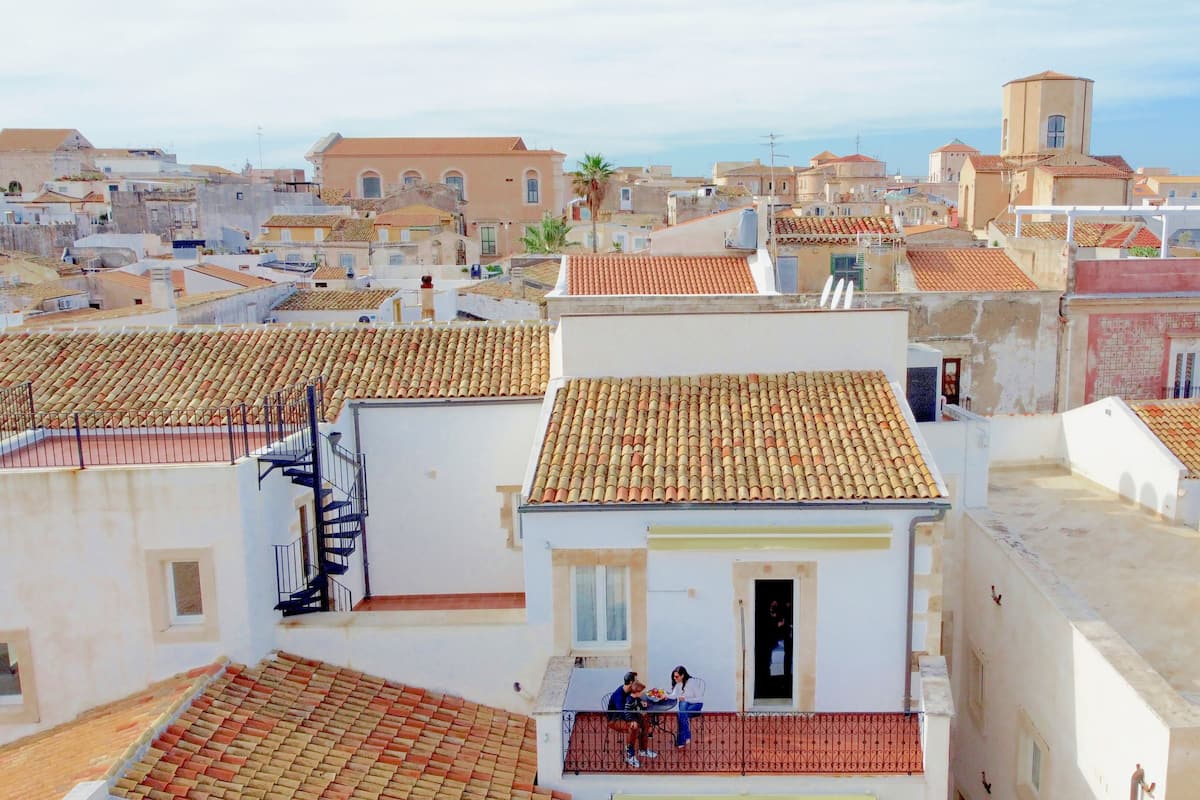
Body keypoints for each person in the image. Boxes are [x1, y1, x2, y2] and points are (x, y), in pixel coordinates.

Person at [606, 671, 657, 767]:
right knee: (633, 727)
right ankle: (630, 755)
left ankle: (643, 750)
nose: (637, 681)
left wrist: (642, 704)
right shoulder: (619, 695)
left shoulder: (630, 691)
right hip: (615, 719)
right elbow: (622, 713)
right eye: (636, 680)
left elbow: (636, 699)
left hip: (630, 716)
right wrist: (633, 720)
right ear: (630, 682)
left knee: (646, 719)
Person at [667, 665, 704, 748]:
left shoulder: (691, 682)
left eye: (677, 676)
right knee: (682, 710)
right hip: (685, 706)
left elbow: (699, 699)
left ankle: (682, 740)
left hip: (696, 705)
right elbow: (674, 695)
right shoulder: (678, 683)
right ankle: (686, 736)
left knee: (681, 711)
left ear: (682, 675)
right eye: (674, 677)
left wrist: (686, 699)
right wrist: (665, 695)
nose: (674, 678)